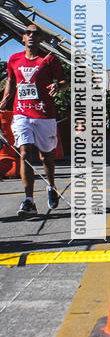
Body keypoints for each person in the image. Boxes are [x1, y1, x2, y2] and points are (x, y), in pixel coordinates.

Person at [0, 24, 67, 217]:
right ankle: (29, 200)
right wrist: (4, 100)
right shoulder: (14, 59)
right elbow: (11, 81)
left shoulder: (49, 59)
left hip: (44, 114)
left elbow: (64, 81)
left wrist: (58, 86)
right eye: (27, 33)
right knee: (24, 152)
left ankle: (51, 186)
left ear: (40, 39)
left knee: (46, 156)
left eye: (35, 33)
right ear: (22, 38)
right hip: (21, 113)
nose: (30, 35)